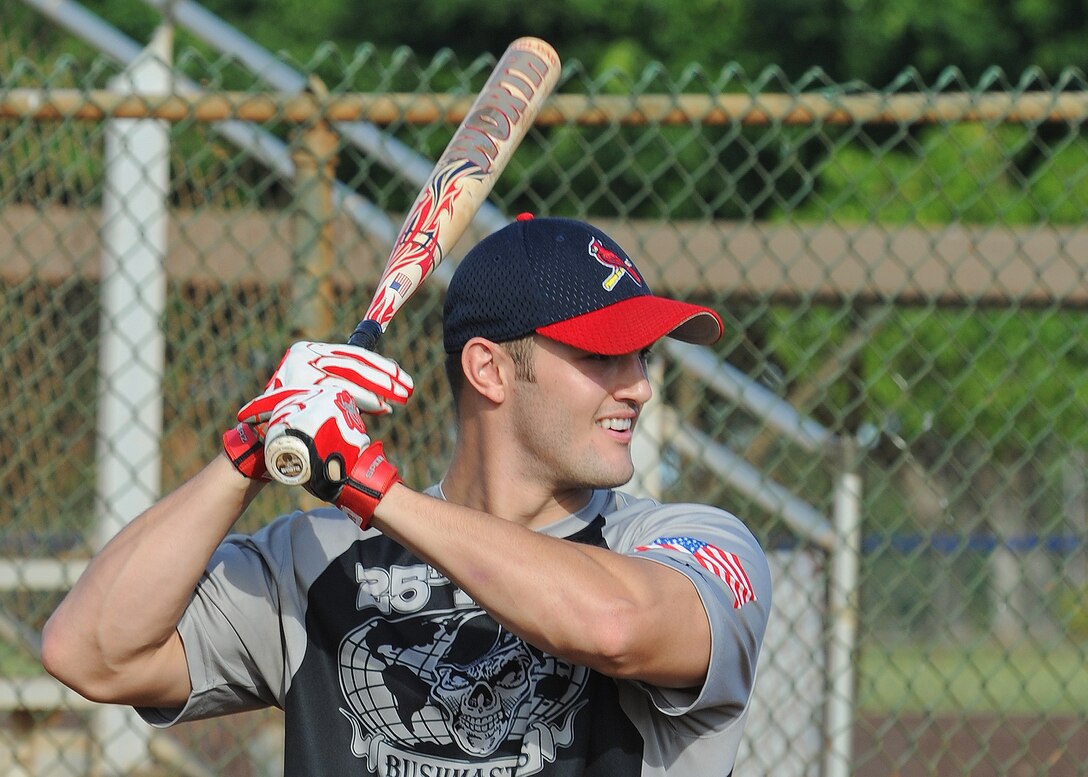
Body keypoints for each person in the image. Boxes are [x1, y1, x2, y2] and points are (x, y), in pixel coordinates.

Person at [42, 214, 772, 776]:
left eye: (641, 355)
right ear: (488, 369)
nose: (639, 384)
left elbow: (614, 625)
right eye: (602, 355)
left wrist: (373, 490)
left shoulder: (687, 542)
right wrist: (250, 449)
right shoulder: (321, 557)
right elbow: (90, 651)